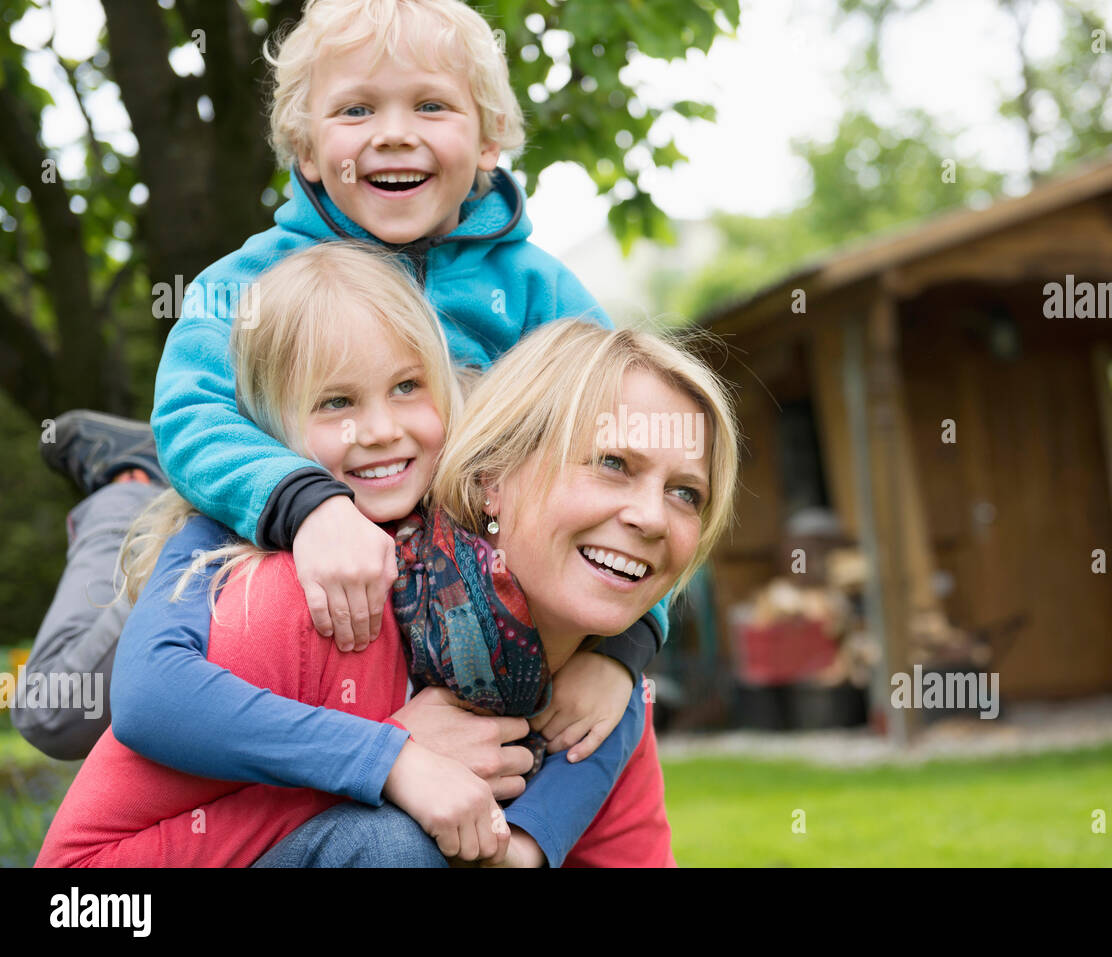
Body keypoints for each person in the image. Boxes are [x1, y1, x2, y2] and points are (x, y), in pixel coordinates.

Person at [17, 0, 667, 762]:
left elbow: (650, 471)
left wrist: (624, 646)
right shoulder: (252, 280)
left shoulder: (539, 297)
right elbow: (192, 407)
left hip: (435, 563)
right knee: (64, 711)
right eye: (356, 108)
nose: (394, 132)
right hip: (263, 514)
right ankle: (126, 489)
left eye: (430, 104)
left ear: (489, 140)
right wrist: (310, 507)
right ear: (308, 146)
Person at [36, 244, 740, 867]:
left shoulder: (603, 679)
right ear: (495, 478)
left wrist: (528, 839)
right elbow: (148, 696)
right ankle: (127, 490)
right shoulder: (314, 588)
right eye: (612, 463)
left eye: (686, 493)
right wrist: (387, 755)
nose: (649, 516)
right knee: (60, 705)